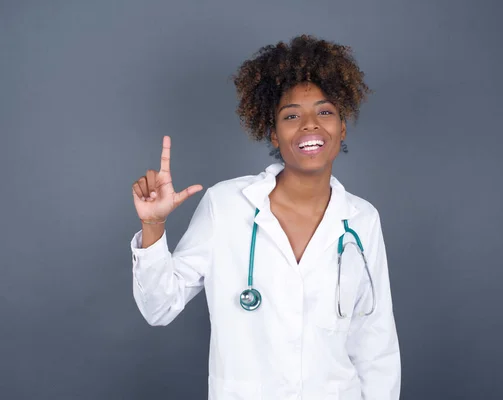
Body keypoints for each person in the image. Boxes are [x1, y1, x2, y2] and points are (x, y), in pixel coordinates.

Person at [130, 34, 401, 400]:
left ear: (342, 127)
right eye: (292, 115)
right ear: (273, 132)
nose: (310, 125)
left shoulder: (362, 219)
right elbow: (158, 307)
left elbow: (375, 343)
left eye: (325, 112)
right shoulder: (225, 205)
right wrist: (153, 226)